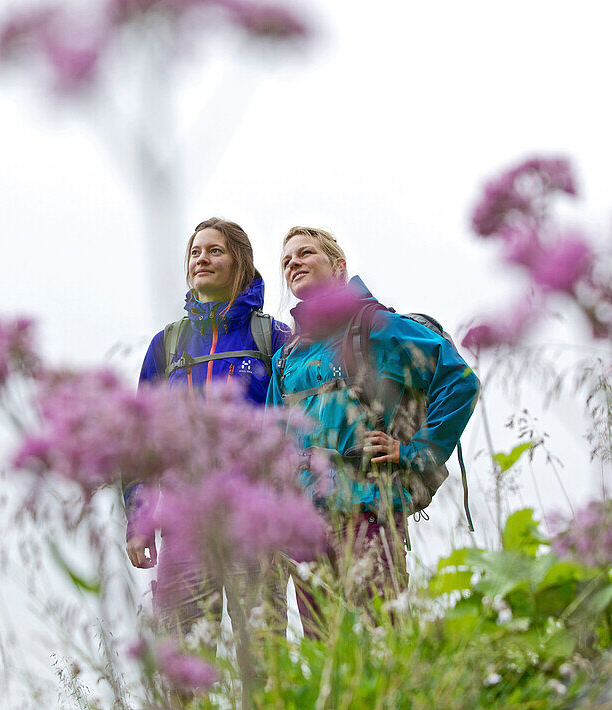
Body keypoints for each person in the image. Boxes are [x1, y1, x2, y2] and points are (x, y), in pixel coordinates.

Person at [267, 226, 479, 629]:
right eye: (286, 260)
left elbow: (459, 380)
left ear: (339, 266)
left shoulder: (376, 326)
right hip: (306, 528)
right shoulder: (286, 358)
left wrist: (417, 451)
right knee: (324, 658)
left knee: (382, 639)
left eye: (305, 253)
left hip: (369, 511)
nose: (293, 263)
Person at [125, 217, 292, 633]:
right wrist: (138, 519)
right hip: (184, 528)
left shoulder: (272, 337)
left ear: (240, 262)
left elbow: (297, 433)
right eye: (195, 252)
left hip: (254, 525)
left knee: (263, 661)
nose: (202, 258)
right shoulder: (167, 344)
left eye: (215, 251)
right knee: (181, 665)